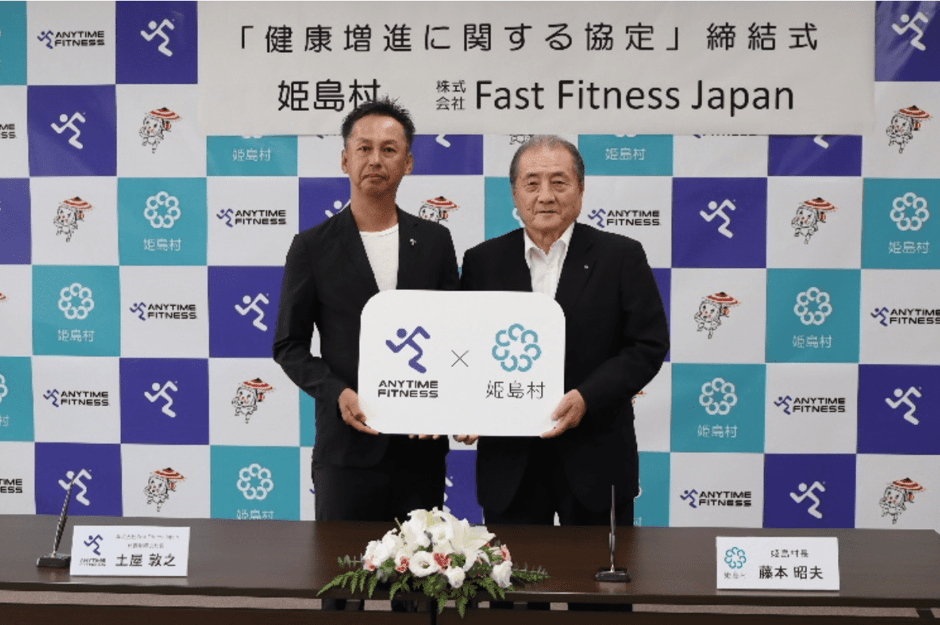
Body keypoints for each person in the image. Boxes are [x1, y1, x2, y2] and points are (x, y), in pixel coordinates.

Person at [459, 135, 669, 530]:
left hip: (597, 456)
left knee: (599, 573)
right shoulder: (482, 262)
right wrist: (466, 408)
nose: (545, 196)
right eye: (532, 183)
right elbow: (464, 349)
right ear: (515, 192)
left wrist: (587, 397)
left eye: (559, 182)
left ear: (581, 190)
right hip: (510, 463)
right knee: (515, 571)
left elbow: (648, 344)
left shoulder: (621, 256)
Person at [274, 97, 458, 525]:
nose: (376, 159)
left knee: (422, 567)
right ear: (345, 160)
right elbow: (289, 345)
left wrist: (452, 406)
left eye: (389, 149)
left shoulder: (435, 242)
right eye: (364, 148)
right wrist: (337, 392)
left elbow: (455, 336)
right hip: (346, 450)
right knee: (340, 568)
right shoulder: (312, 247)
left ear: (408, 163)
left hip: (420, 448)